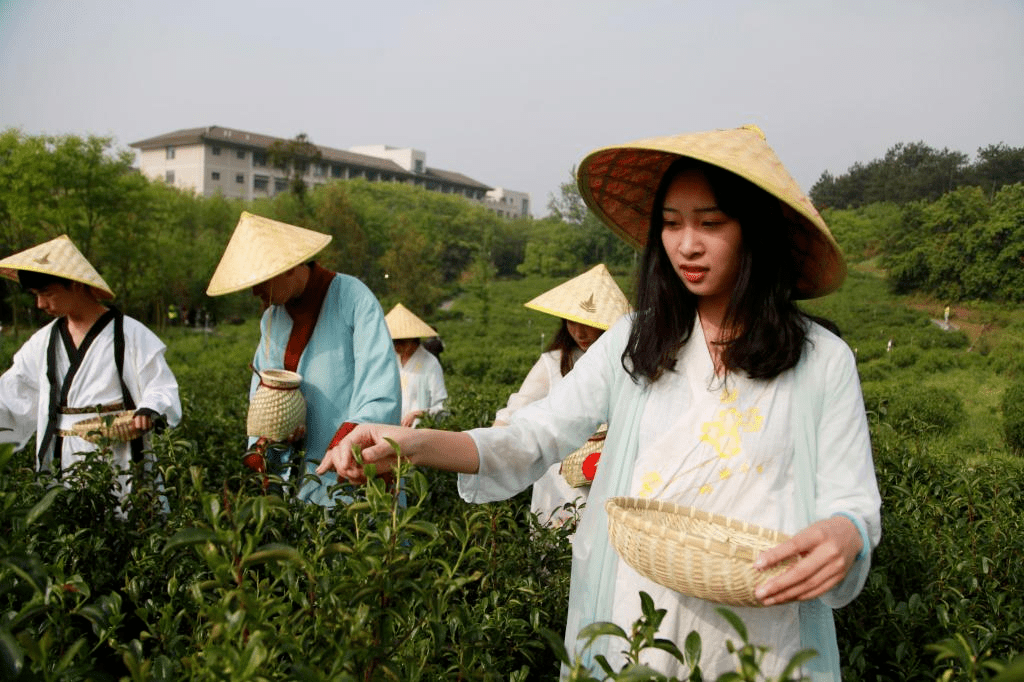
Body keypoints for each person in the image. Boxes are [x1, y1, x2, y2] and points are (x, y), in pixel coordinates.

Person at [317, 125, 881, 679]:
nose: (687, 244)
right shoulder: (636, 341)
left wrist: (846, 533)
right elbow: (532, 436)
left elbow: (851, 499)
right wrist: (412, 444)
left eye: (710, 223)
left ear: (753, 231)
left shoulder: (822, 361)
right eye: (671, 224)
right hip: (639, 617)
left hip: (763, 626)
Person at [206, 212, 401, 506]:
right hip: (296, 470)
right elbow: (263, 390)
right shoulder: (272, 317)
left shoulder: (352, 298)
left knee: (355, 537)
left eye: (261, 281)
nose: (256, 292)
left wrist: (346, 443)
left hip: (348, 466)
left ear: (289, 267)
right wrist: (274, 432)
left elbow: (380, 389)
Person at [0, 235, 182, 504]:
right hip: (60, 451)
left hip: (117, 450)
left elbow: (160, 384)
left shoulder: (129, 333)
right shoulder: (43, 341)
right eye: (37, 296)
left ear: (74, 284)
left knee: (122, 516)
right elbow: (13, 394)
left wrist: (149, 408)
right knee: (70, 527)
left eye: (47, 294)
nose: (40, 305)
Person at [492, 264, 630, 528]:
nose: (580, 332)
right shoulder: (553, 363)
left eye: (588, 322)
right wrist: (490, 444)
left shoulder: (624, 365)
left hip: (606, 475)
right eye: (571, 322)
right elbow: (517, 408)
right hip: (558, 481)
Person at [384, 303, 448, 428]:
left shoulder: (430, 363)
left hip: (419, 430)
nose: (396, 346)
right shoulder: (392, 361)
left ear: (412, 340)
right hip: (392, 427)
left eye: (400, 342)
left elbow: (442, 405)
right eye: (393, 342)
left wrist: (418, 414)